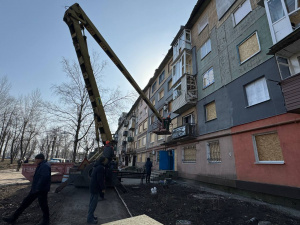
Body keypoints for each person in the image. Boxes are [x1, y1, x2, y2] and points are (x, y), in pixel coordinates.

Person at [3, 153, 51, 225]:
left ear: (39, 159)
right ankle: (13, 218)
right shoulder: (43, 165)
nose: (35, 161)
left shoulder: (44, 166)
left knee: (42, 205)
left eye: (36, 160)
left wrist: (37, 188)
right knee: (27, 203)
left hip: (40, 190)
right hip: (38, 189)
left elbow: (44, 178)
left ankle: (46, 221)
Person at [87, 157, 106, 224]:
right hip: (95, 188)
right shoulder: (100, 168)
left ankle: (91, 216)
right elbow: (100, 179)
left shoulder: (96, 166)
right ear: (103, 161)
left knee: (92, 203)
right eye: (105, 160)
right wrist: (103, 188)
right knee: (93, 204)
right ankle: (90, 220)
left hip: (93, 187)